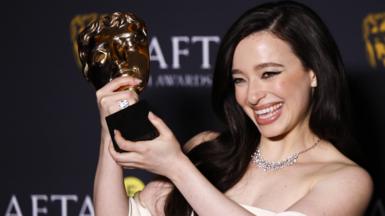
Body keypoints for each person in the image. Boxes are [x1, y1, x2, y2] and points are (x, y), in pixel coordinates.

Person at [92, 1, 373, 215]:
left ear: (314, 73)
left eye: (269, 74)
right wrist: (110, 127)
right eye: (240, 79)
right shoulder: (207, 150)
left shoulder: (346, 180)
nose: (252, 95)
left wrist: (177, 167)